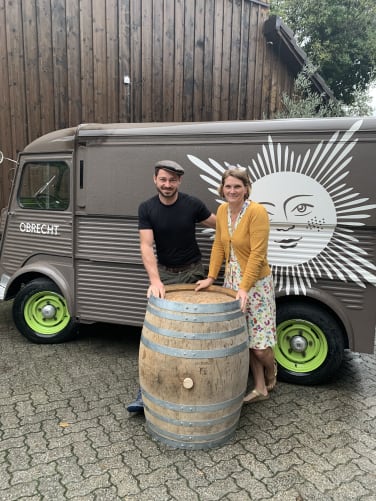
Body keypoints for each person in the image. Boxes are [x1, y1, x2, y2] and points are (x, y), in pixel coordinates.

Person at [127, 159, 216, 412]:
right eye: (163, 179)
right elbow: (146, 245)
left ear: (179, 181)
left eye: (172, 180)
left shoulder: (192, 204)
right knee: (159, 333)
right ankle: (145, 394)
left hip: (194, 274)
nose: (167, 184)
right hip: (165, 277)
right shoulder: (147, 208)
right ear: (155, 180)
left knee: (197, 333)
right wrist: (155, 281)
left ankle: (203, 387)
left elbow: (222, 226)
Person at [195, 167, 277, 403]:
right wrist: (211, 277)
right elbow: (219, 246)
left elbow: (257, 254)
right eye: (228, 186)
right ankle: (260, 387)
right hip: (232, 281)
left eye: (237, 186)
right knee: (245, 336)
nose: (232, 191)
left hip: (256, 284)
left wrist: (244, 288)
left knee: (260, 346)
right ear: (222, 188)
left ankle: (271, 370)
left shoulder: (257, 212)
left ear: (246, 189)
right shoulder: (222, 210)